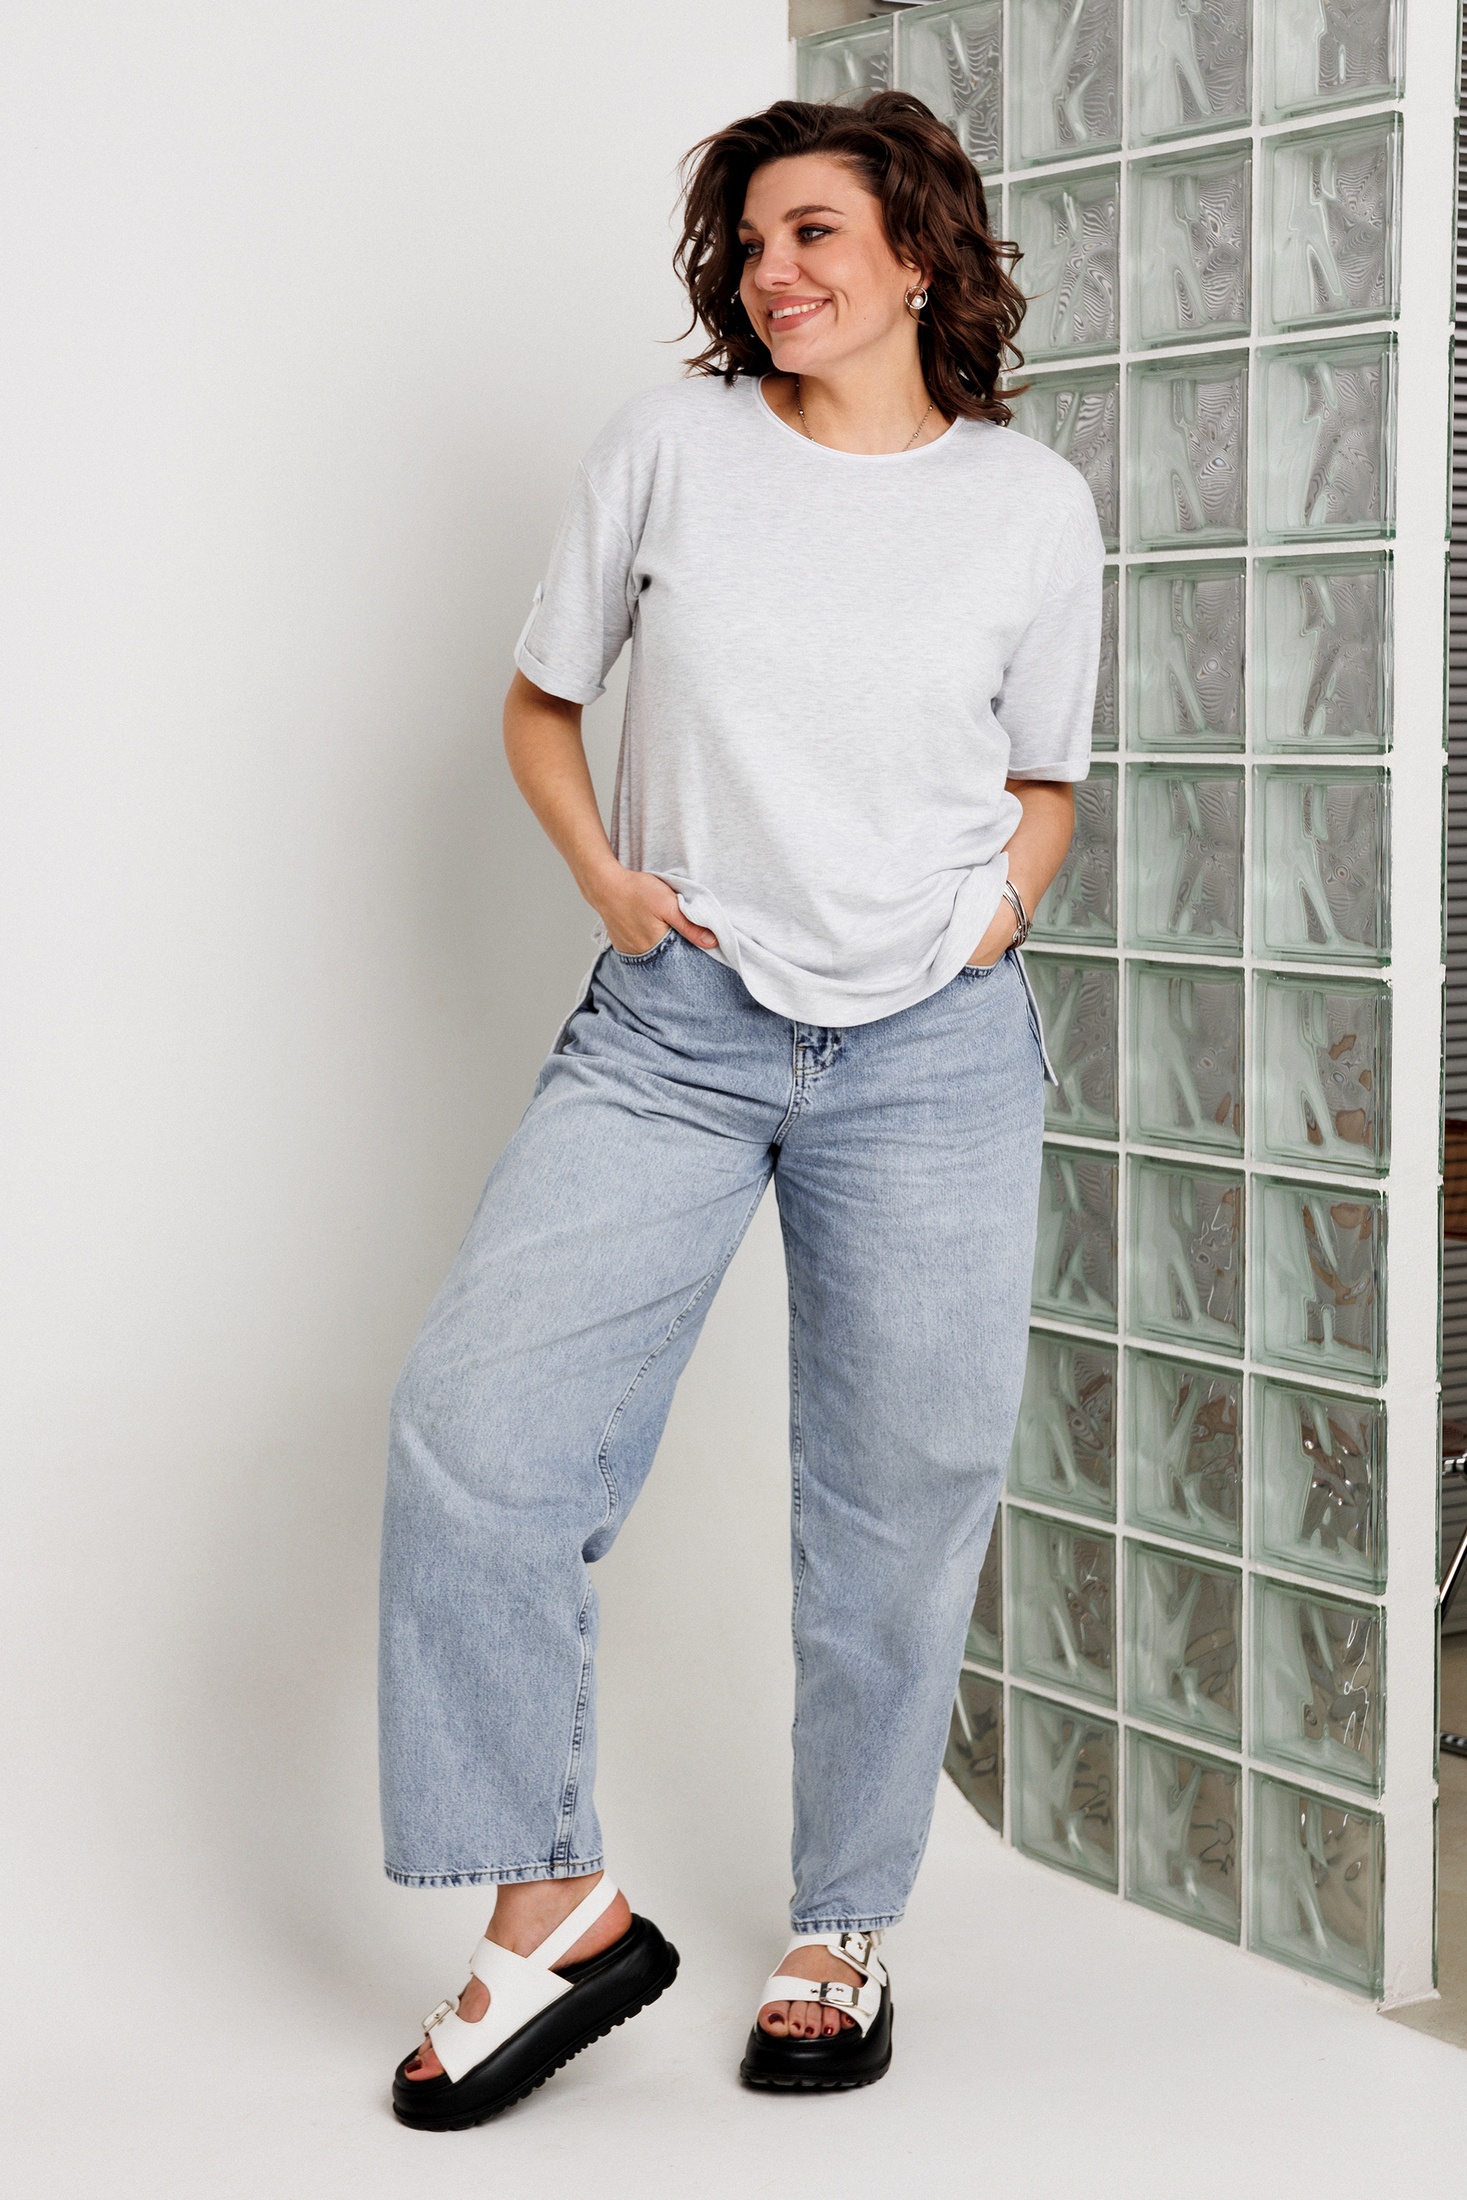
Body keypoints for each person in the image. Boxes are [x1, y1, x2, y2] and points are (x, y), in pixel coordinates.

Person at [380, 90, 1104, 2129]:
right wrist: (609, 882)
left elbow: (1045, 777)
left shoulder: (1027, 504)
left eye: (810, 234)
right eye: (749, 243)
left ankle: (841, 1926)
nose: (771, 273)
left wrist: (999, 910)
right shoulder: (670, 449)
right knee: (475, 1435)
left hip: (933, 1054)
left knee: (899, 1493)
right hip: (677, 1030)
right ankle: (555, 1908)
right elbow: (541, 701)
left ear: (915, 255)